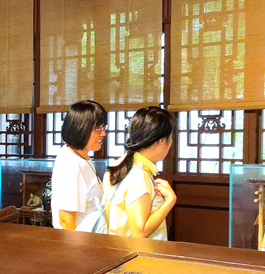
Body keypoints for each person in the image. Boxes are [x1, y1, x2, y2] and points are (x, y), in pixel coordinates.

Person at [103, 106, 177, 239]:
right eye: (170, 139)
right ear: (162, 141)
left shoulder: (118, 166)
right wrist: (170, 200)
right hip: (138, 251)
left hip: (117, 247)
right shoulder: (139, 175)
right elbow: (140, 232)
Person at [51, 100, 107, 231]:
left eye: (103, 127)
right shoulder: (70, 164)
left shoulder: (81, 156)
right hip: (81, 240)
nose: (103, 133)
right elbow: (66, 222)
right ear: (81, 128)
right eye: (98, 128)